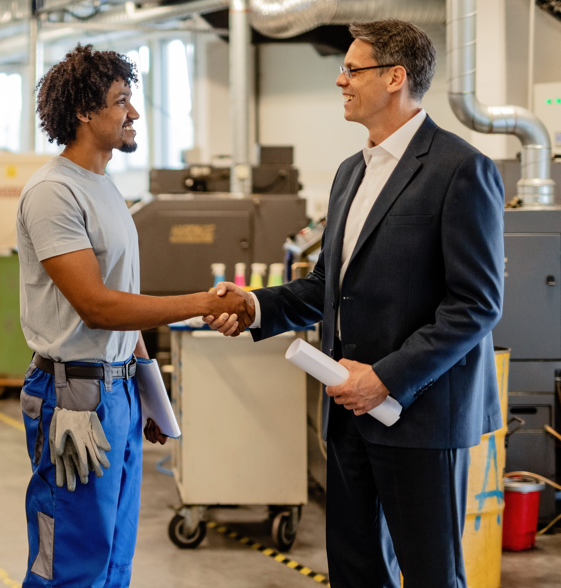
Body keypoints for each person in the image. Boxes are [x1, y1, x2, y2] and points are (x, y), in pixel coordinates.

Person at [207, 20, 504, 588]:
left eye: (352, 69)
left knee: (431, 575)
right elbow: (327, 286)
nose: (340, 80)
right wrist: (254, 306)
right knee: (354, 570)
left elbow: (475, 304)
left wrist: (386, 379)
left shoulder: (460, 170)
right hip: (348, 417)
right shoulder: (350, 173)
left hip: (420, 417)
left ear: (396, 78)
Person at [16, 44, 251, 588]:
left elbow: (123, 301)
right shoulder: (54, 192)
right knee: (72, 561)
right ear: (84, 112)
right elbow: (97, 305)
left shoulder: (104, 187)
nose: (134, 113)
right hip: (73, 396)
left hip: (116, 392)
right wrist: (202, 303)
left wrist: (148, 392)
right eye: (122, 101)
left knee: (114, 558)